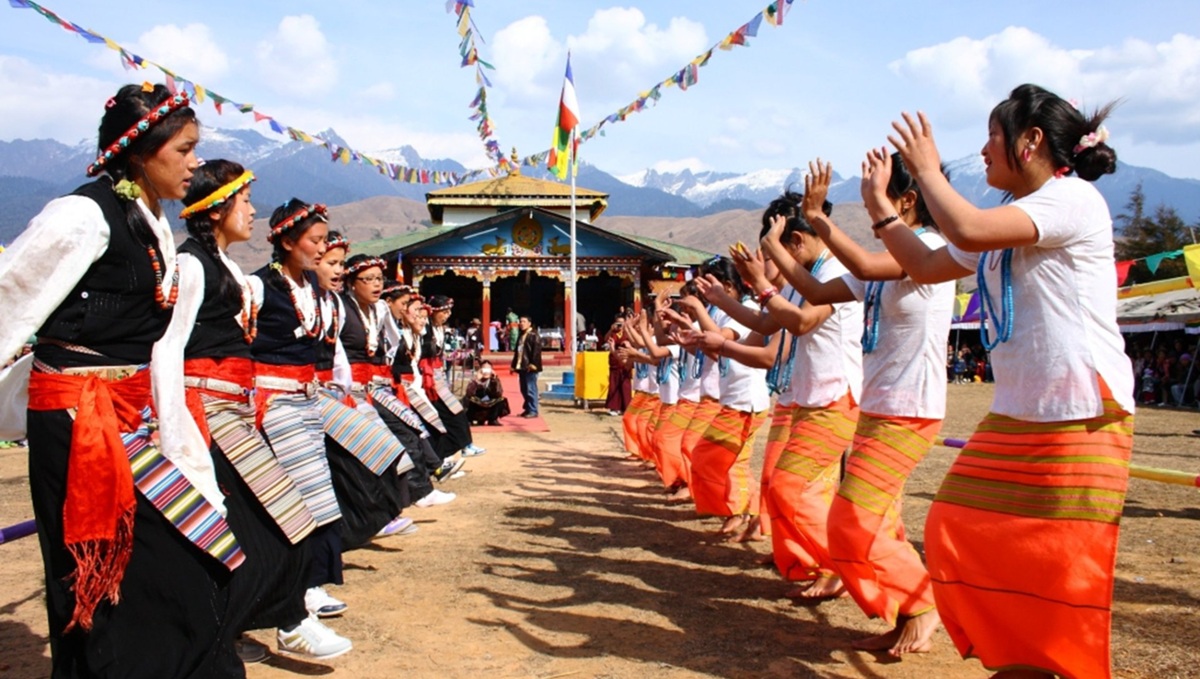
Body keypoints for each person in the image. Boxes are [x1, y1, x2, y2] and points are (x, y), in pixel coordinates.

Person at [872, 84, 1133, 678]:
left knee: (1060, 568)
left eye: (993, 136)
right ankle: (1020, 660)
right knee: (953, 527)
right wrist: (883, 211)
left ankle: (1042, 669)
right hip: (1020, 411)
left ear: (1031, 141)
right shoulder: (1004, 223)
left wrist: (927, 171)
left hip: (1082, 408)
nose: (985, 151)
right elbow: (926, 263)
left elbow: (961, 228)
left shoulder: (1071, 199)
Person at [0, 84, 255, 676]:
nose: (195, 163)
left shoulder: (152, 223)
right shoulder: (83, 215)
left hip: (123, 416)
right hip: (74, 421)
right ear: (141, 152)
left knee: (186, 560)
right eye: (186, 149)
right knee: (93, 576)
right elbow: (9, 306)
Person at [761, 156, 954, 654]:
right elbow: (812, 290)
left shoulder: (928, 247)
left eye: (879, 196)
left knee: (851, 519)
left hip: (910, 407)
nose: (871, 208)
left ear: (907, 202)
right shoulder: (887, 257)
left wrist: (820, 216)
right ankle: (900, 606)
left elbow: (862, 266)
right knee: (872, 516)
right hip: (878, 404)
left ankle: (921, 602)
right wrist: (768, 258)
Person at [250, 198, 354, 659]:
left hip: (308, 400)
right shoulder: (258, 286)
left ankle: (307, 588)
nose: (321, 248)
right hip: (271, 404)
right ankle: (290, 605)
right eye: (314, 240)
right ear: (286, 241)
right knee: (292, 504)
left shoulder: (314, 290)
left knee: (318, 498)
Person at [511, 315, 542, 417]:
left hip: (530, 366)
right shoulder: (521, 335)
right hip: (522, 365)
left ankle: (533, 410)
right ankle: (528, 408)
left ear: (529, 323)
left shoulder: (534, 335)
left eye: (524, 321)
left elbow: (536, 351)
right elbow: (517, 352)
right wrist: (513, 365)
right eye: (520, 321)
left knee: (530, 388)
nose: (521, 323)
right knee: (523, 389)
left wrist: (533, 364)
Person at [465, 360, 511, 425]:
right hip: (477, 404)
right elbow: (469, 394)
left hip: (489, 403)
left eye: (488, 369)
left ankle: (492, 419)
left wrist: (494, 380)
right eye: (484, 369)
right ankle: (470, 419)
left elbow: (498, 393)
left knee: (501, 400)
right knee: (469, 400)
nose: (486, 372)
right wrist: (477, 381)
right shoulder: (474, 380)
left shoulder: (494, 380)